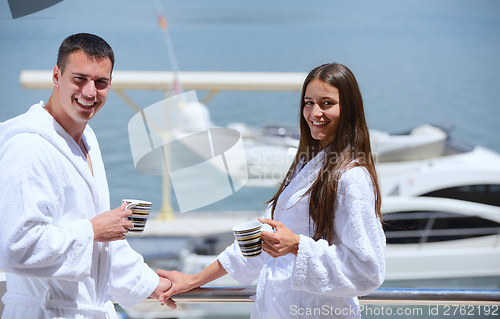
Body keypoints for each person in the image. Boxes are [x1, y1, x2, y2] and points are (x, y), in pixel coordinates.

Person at [156, 63, 386, 318]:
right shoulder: (305, 164)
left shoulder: (351, 178)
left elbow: (368, 270)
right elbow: (260, 244)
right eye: (308, 102)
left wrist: (298, 246)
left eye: (327, 103)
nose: (314, 112)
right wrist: (194, 279)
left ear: (349, 109)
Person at [0, 33, 172, 318]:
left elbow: (100, 250)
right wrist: (92, 230)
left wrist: (154, 283)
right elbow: (16, 247)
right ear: (57, 75)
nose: (90, 92)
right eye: (80, 79)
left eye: (101, 82)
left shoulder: (86, 140)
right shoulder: (28, 147)